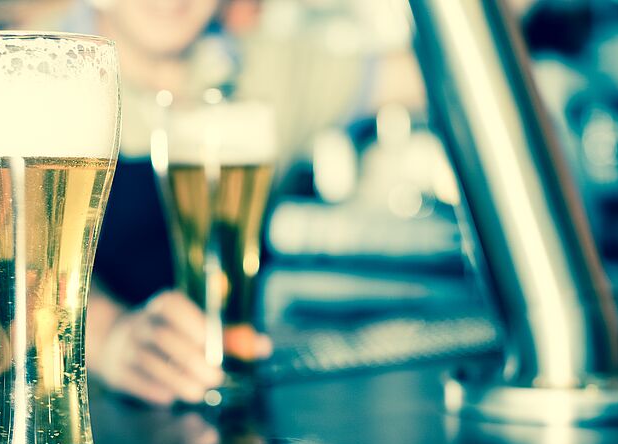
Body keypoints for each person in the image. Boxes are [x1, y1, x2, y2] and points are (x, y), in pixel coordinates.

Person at [68, 0, 423, 405]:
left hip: (228, 398)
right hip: (62, 421)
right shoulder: (32, 64)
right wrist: (105, 336)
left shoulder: (267, 69)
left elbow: (446, 76)